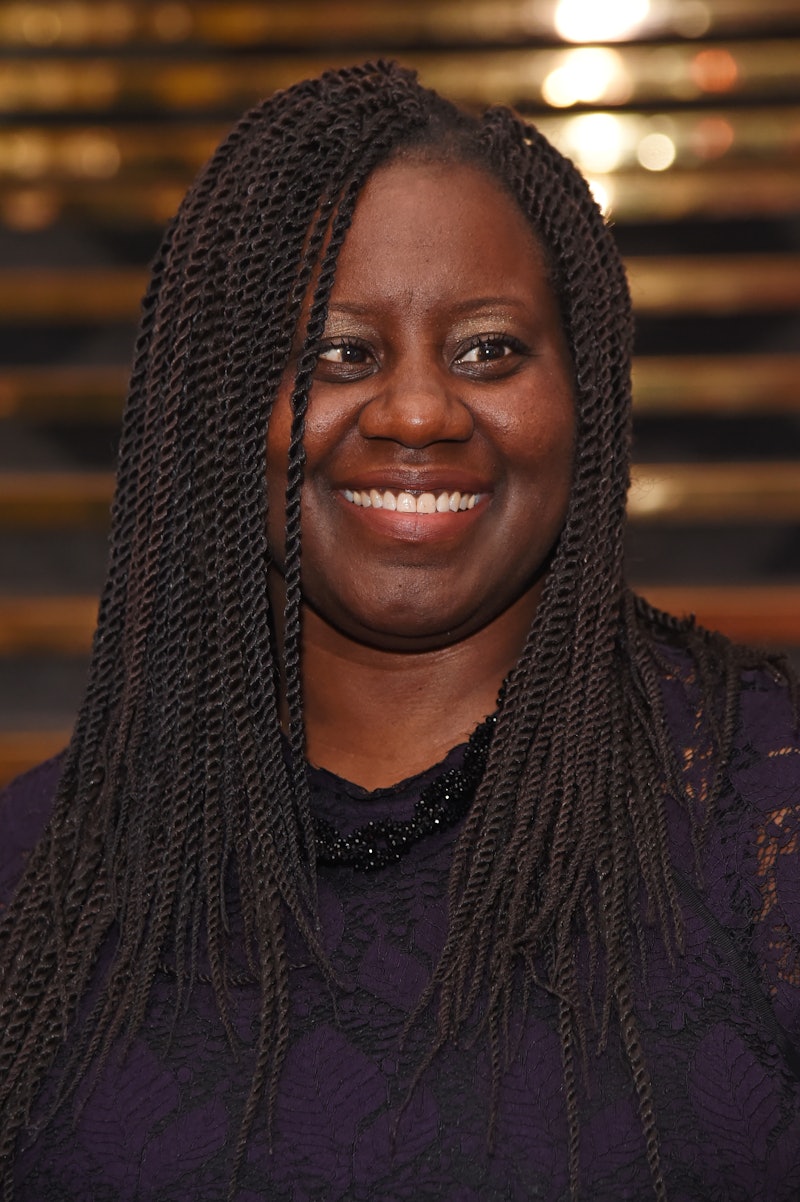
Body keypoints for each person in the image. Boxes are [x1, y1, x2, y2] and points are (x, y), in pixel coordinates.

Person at [1, 60, 798, 1202]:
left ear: (587, 400)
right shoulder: (45, 875)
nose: (418, 410)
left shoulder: (757, 815)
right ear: (221, 406)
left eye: (488, 350)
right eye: (338, 351)